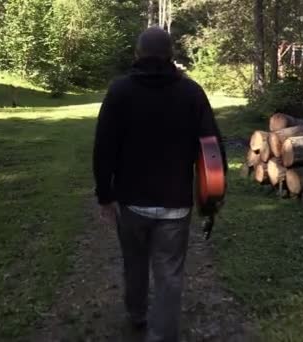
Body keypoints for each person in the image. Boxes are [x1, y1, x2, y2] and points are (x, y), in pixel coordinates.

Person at [92, 27, 227, 342]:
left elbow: (104, 147)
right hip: (176, 206)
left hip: (132, 203)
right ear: (171, 57)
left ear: (137, 55)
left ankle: (137, 314)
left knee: (134, 263)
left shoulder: (120, 91)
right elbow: (212, 150)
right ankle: (162, 335)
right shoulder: (192, 93)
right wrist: (212, 201)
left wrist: (104, 195)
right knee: (169, 275)